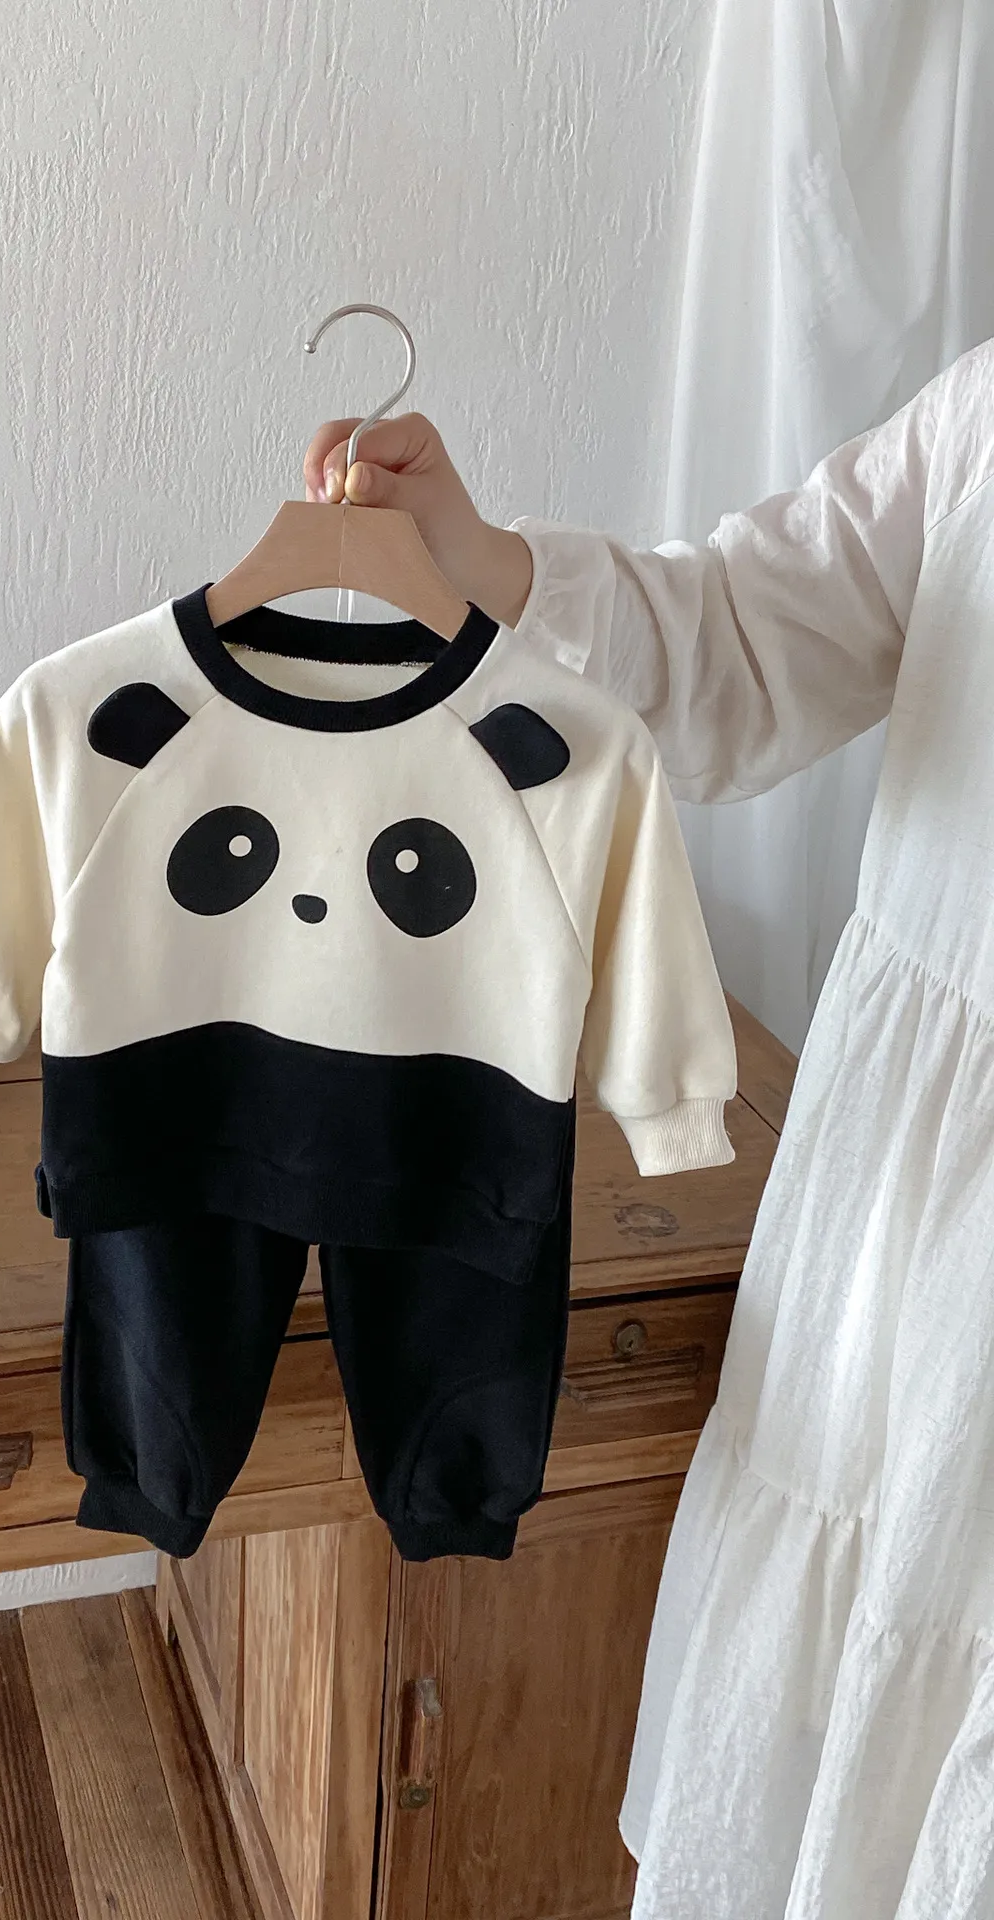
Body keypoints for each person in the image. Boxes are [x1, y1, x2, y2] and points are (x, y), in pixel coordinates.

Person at [303, 336, 994, 1920]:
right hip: (916, 1226)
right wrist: (474, 560)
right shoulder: (987, 416)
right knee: (858, 1709)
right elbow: (739, 643)